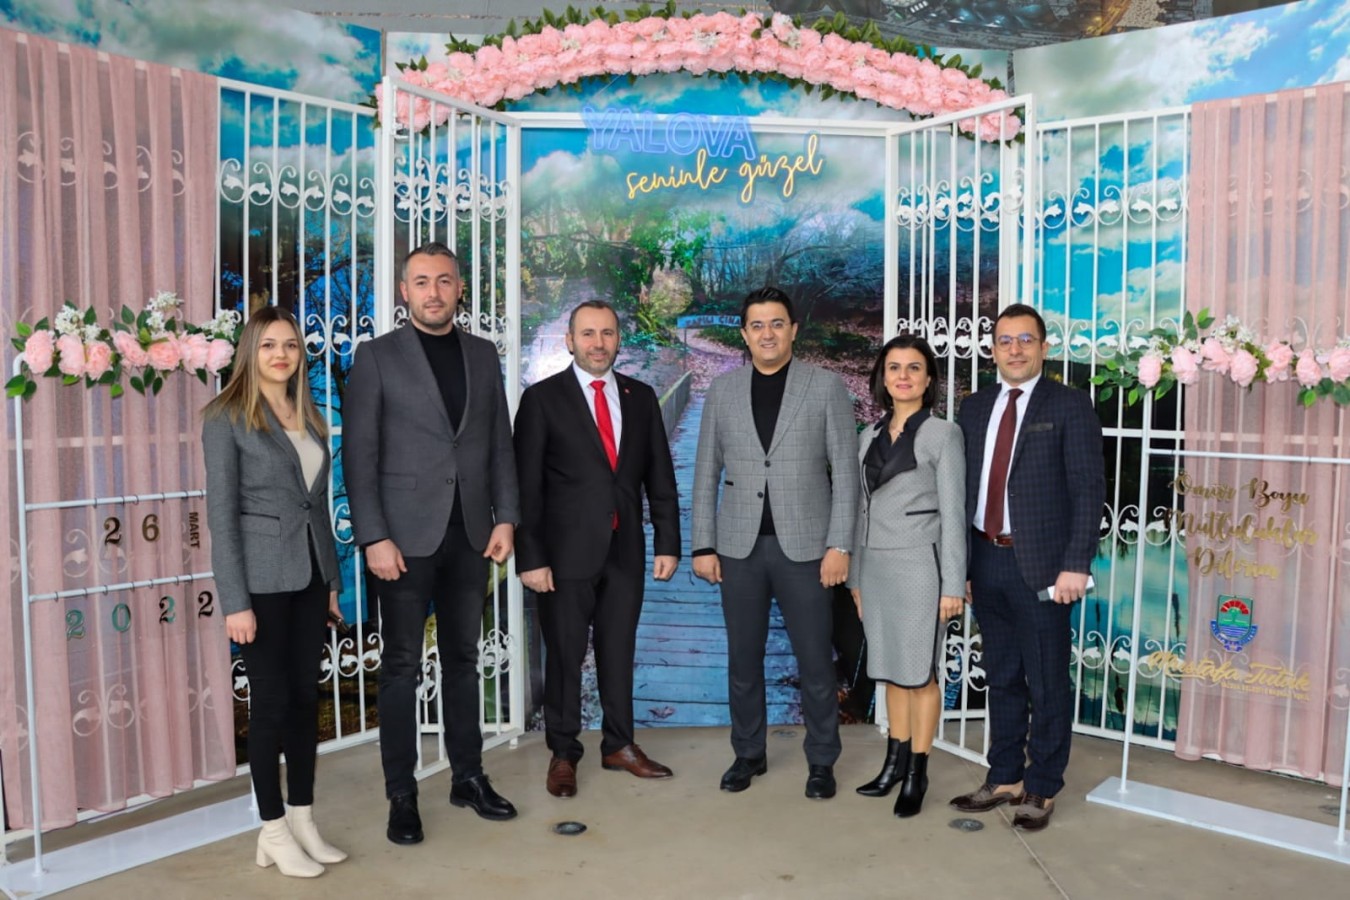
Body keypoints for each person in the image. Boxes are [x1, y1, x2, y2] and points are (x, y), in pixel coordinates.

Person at [345, 242, 520, 845]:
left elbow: (499, 443)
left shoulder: (483, 354)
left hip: (470, 534)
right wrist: (374, 535)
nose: (433, 292)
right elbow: (359, 456)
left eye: (444, 281)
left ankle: (468, 776)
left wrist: (506, 518)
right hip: (402, 540)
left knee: (464, 661)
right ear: (404, 291)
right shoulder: (376, 357)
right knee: (400, 668)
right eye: (421, 281)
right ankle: (402, 794)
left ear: (459, 288)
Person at [691, 286, 859, 800]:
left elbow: (846, 473)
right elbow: (705, 470)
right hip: (738, 548)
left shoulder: (825, 387)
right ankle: (748, 753)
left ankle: (822, 760)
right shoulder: (723, 391)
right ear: (744, 334)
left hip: (807, 550)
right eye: (757, 325)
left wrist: (840, 545)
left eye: (777, 323)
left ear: (793, 330)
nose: (768, 334)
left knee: (815, 661)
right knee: (743, 660)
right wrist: (703, 544)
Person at [513, 300, 681, 798]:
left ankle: (619, 745)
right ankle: (563, 753)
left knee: (618, 651)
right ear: (569, 341)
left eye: (607, 333)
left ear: (618, 339)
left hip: (625, 550)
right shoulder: (542, 399)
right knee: (565, 657)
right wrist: (531, 557)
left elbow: (660, 477)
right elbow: (526, 488)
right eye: (587, 333)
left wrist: (668, 542)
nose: (598, 342)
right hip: (563, 556)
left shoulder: (641, 397)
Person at [203, 305, 346, 878]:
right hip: (259, 584)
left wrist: (331, 583)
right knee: (270, 706)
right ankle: (273, 829)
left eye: (290, 344)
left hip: (310, 577)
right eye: (268, 345)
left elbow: (317, 507)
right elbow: (221, 517)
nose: (281, 354)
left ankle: (303, 819)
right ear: (250, 352)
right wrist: (235, 601)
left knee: (306, 700)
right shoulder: (225, 417)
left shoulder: (308, 413)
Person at [950, 303, 1105, 831]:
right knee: (1002, 676)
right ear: (992, 349)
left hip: (1043, 569)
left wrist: (1075, 565)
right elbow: (963, 490)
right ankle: (1005, 777)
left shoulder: (1069, 405)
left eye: (1025, 339)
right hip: (985, 558)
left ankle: (1042, 785)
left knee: (1046, 680)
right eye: (1005, 340)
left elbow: (1088, 489)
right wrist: (961, 565)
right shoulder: (974, 407)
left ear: (1043, 347)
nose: (1014, 349)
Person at [847, 334, 966, 818]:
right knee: (892, 671)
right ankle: (892, 764)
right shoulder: (868, 435)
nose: (903, 376)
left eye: (913, 367)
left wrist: (953, 585)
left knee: (919, 674)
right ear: (882, 377)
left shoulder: (943, 435)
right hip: (875, 570)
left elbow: (954, 515)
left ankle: (917, 772)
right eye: (894, 367)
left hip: (920, 567)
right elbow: (859, 511)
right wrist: (855, 577)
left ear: (928, 378)